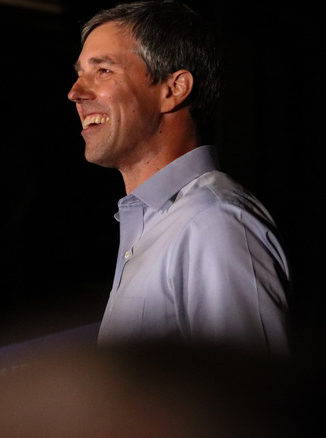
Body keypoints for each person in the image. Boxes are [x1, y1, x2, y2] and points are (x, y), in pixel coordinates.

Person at [67, 1, 290, 355]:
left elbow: (252, 401)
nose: (76, 92)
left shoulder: (214, 222)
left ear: (174, 89)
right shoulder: (159, 222)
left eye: (103, 71)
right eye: (79, 72)